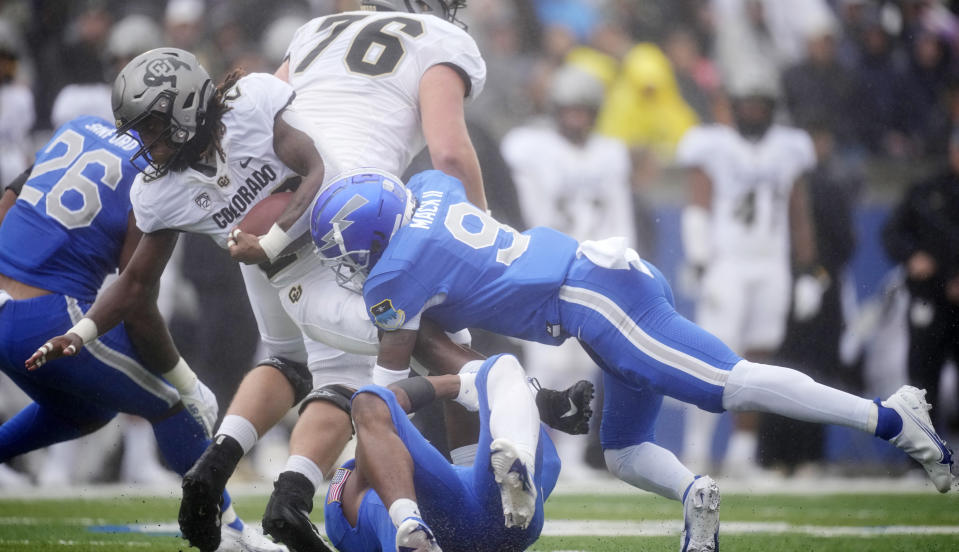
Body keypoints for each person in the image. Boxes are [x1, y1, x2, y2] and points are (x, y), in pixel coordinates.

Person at [28, 44, 590, 552]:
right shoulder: (159, 190)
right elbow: (133, 284)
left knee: (323, 362)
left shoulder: (249, 103)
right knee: (400, 332)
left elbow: (315, 167)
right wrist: (79, 334)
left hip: (331, 229)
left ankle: (269, 482)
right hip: (286, 267)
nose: (144, 144)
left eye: (150, 126)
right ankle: (522, 401)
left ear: (183, 108)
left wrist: (265, 238)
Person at [309, 169, 958, 552]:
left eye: (345, 253)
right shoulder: (430, 189)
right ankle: (694, 496)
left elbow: (388, 386)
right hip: (593, 287)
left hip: (594, 297)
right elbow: (462, 348)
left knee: (726, 385)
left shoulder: (393, 277)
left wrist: (366, 450)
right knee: (621, 451)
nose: (347, 268)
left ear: (370, 241)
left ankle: (889, 417)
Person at [0, 115, 279, 551]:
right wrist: (186, 381)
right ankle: (230, 532)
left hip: (8, 304)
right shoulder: (153, 177)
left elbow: (13, 194)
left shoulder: (80, 126)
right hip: (48, 315)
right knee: (169, 401)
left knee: (90, 409)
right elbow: (135, 304)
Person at [675, 67, 822, 477]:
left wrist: (810, 271)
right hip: (728, 263)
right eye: (747, 104)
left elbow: (798, 212)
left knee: (759, 356)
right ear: (734, 107)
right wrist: (700, 259)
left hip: (771, 263)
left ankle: (742, 453)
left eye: (761, 105)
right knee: (709, 357)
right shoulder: (713, 145)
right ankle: (697, 450)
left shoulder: (788, 147)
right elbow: (698, 206)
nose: (754, 111)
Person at [501, 62, 634, 479]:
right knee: (545, 365)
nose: (576, 118)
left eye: (584, 110)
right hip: (546, 266)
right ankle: (535, 452)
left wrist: (624, 260)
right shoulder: (529, 146)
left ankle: (574, 459)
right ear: (556, 108)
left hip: (593, 269)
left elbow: (620, 214)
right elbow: (525, 211)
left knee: (583, 365)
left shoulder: (610, 152)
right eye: (570, 109)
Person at [326, 353, 564, 552]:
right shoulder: (531, 449)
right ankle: (409, 522)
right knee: (503, 366)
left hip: (473, 515)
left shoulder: (361, 482)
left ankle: (410, 523)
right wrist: (459, 384)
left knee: (369, 401)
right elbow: (382, 405)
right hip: (515, 524)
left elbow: (380, 406)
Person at [882, 129, 959, 432]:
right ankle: (924, 458)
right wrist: (912, 255)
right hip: (932, 299)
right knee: (923, 381)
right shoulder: (927, 191)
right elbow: (893, 234)